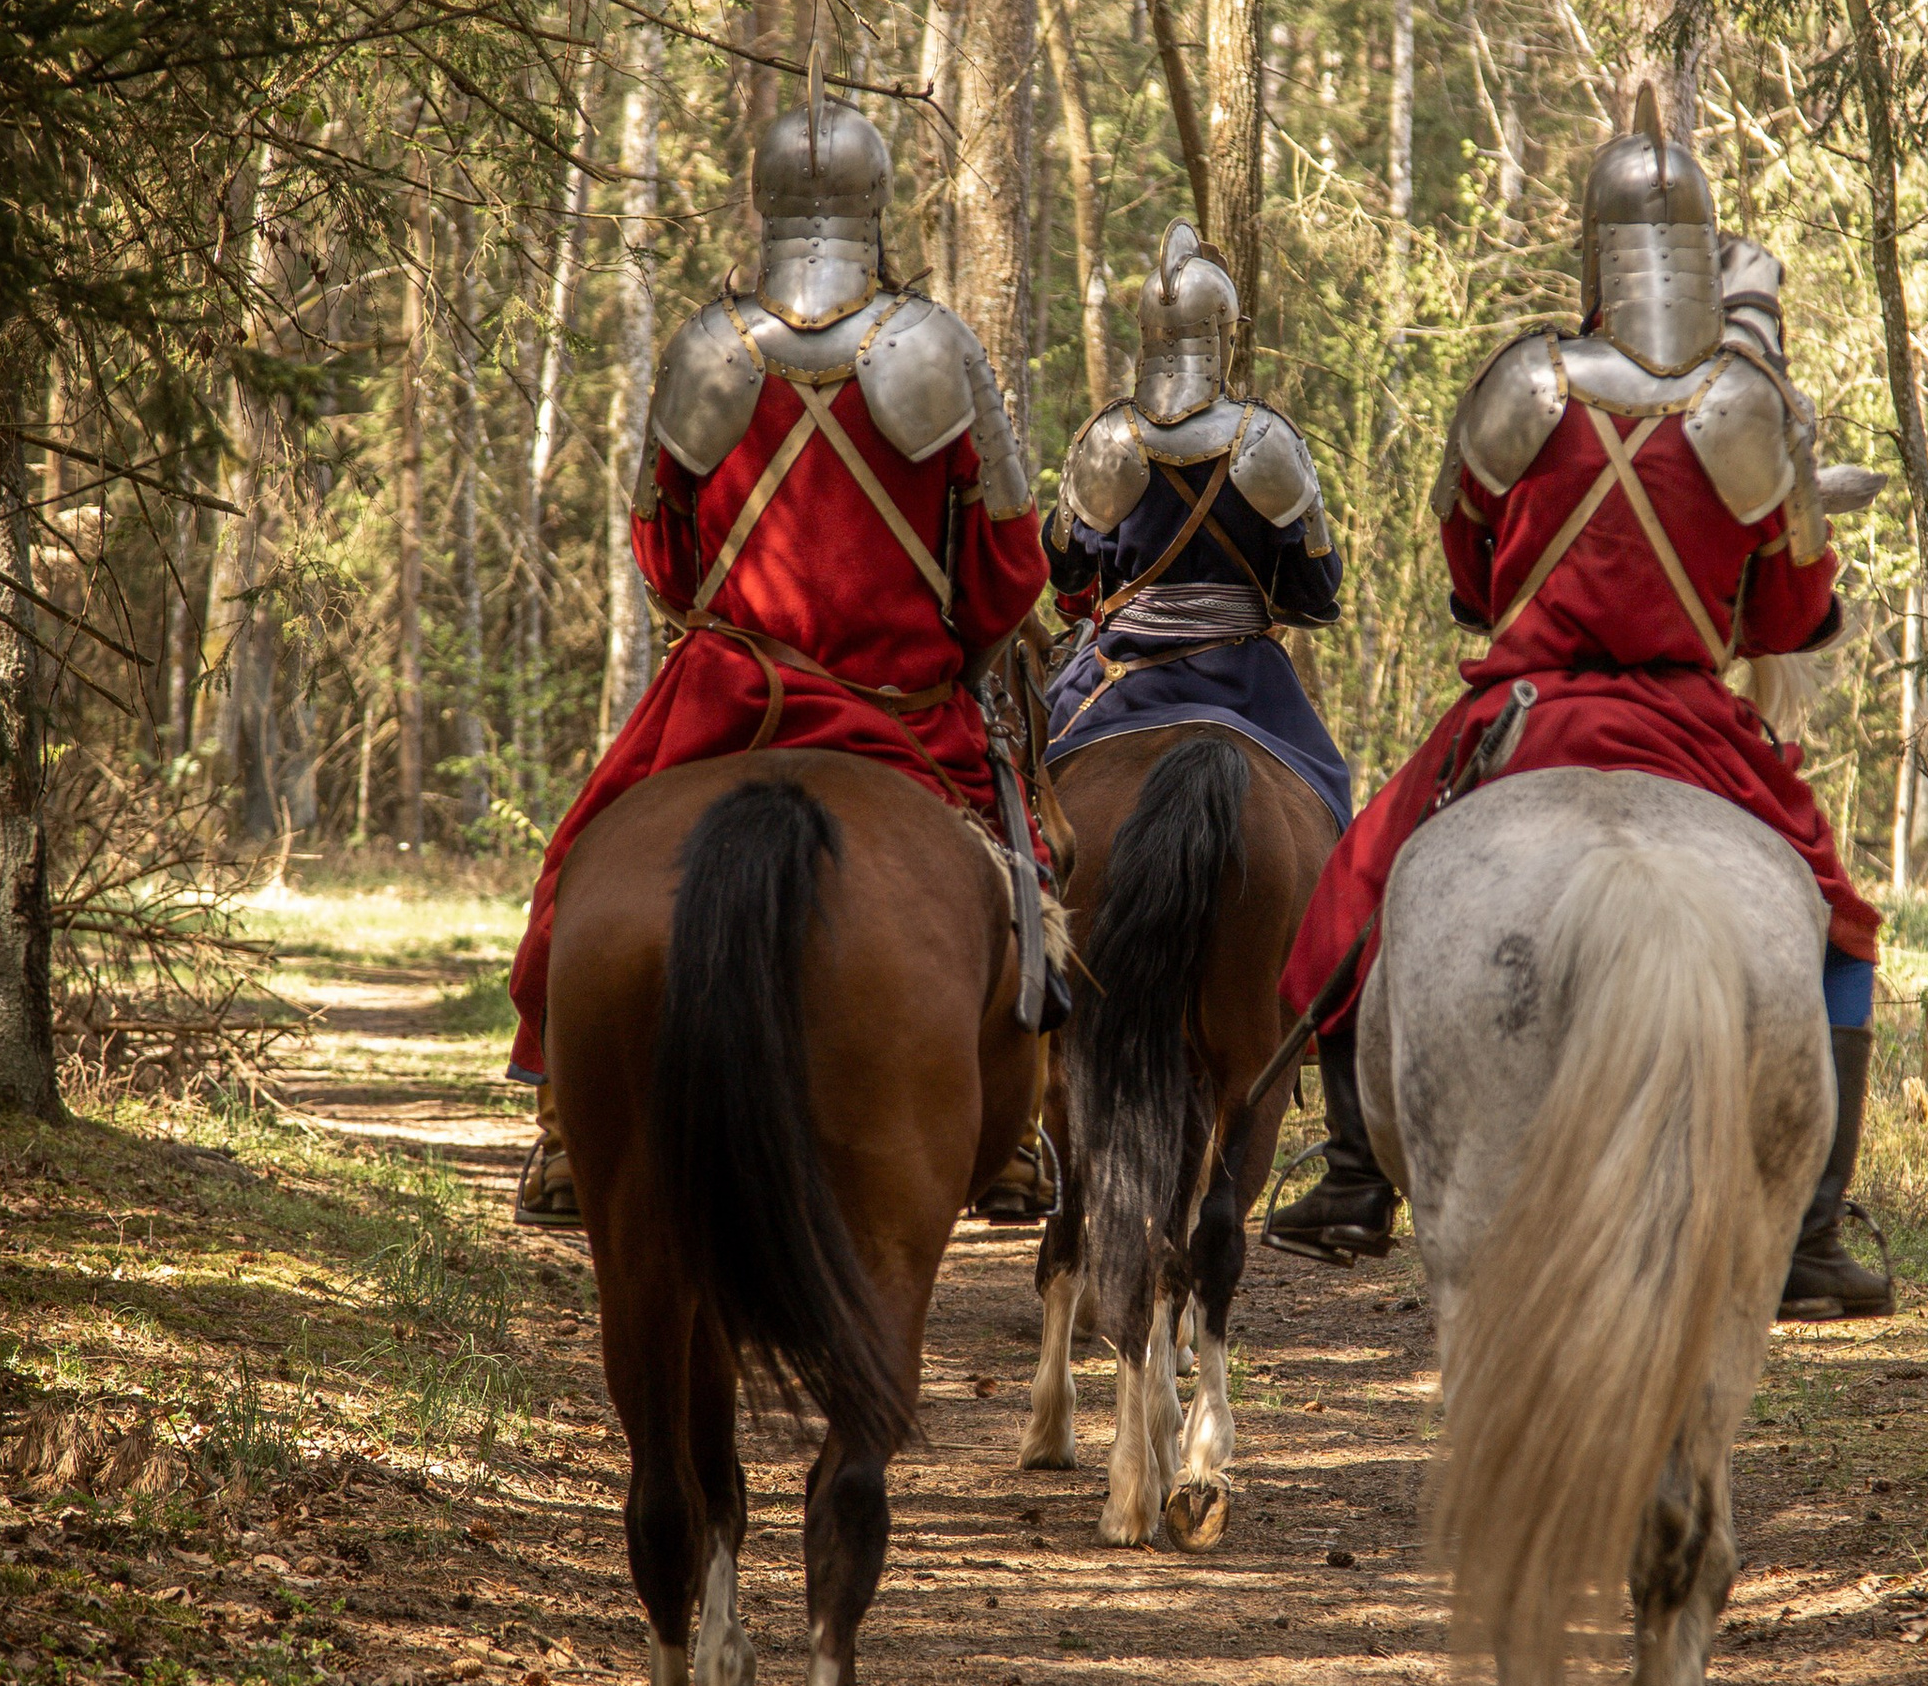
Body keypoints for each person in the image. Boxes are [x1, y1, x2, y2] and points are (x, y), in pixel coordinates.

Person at [1266, 91, 1890, 1320]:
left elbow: (1465, 569)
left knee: (1357, 882)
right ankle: (1809, 1232)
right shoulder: (1751, 403)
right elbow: (1782, 619)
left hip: (1525, 715)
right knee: (1839, 927)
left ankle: (1351, 1180)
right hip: (1693, 734)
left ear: (1591, 254)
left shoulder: (1527, 379)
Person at [508, 98, 1047, 1227]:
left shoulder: (709, 345)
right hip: (906, 713)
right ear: (875, 201)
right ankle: (1015, 1136)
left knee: (577, 867)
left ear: (763, 199)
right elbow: (1007, 568)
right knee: (1034, 891)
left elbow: (661, 553)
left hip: (725, 701)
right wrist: (961, 649)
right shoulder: (937, 346)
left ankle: (562, 1124)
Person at [1042, 219, 1350, 828]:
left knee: (1028, 784)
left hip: (1121, 673)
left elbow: (1063, 568)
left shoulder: (1108, 438)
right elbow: (1317, 594)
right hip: (1248, 682)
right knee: (1332, 796)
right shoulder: (1266, 438)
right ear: (1221, 336)